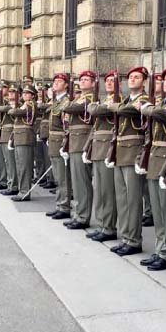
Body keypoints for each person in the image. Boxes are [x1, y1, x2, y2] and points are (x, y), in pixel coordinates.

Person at [139, 67, 166, 271]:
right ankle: (160, 248)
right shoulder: (162, 103)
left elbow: (164, 117)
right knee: (157, 209)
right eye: (165, 80)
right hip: (155, 155)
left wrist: (148, 108)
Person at [107, 67, 150, 256]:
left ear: (145, 81)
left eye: (137, 77)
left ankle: (134, 240)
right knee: (122, 199)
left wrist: (114, 106)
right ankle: (125, 237)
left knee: (133, 200)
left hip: (133, 153)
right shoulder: (126, 100)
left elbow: (129, 112)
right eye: (130, 77)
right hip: (120, 152)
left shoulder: (145, 101)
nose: (132, 79)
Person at [86, 72, 118, 242]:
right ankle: (101, 225)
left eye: (113, 81)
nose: (109, 83)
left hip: (107, 147)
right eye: (107, 81)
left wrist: (95, 107)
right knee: (99, 189)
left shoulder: (118, 100)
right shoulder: (106, 100)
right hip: (98, 146)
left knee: (107, 191)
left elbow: (96, 110)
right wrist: (88, 147)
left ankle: (109, 226)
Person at [62, 70, 96, 229]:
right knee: (77, 182)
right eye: (81, 79)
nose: (82, 82)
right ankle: (79, 213)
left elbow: (72, 109)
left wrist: (68, 104)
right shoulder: (78, 98)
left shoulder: (90, 98)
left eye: (86, 79)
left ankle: (83, 216)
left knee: (82, 182)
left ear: (94, 83)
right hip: (75, 142)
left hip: (82, 142)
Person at [45, 74, 72, 220]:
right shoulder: (56, 101)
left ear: (66, 85)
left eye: (59, 81)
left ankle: (64, 206)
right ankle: (59, 204)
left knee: (63, 177)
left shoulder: (66, 102)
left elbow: (66, 125)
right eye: (54, 81)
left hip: (60, 140)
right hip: (53, 140)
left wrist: (65, 144)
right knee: (57, 176)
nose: (55, 83)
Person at [9, 85, 37, 201]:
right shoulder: (23, 105)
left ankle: (25, 192)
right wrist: (12, 138)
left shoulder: (31, 105)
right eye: (24, 93)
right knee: (20, 166)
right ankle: (22, 190)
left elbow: (15, 112)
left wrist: (13, 109)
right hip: (19, 137)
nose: (24, 95)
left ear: (33, 96)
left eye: (27, 93)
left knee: (24, 166)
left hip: (25, 138)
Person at [0, 85, 19, 196]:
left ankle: (14, 185)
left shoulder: (17, 105)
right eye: (9, 92)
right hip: (4, 134)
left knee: (11, 162)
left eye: (13, 92)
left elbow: (8, 111)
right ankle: (10, 183)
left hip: (11, 134)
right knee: (7, 161)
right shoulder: (7, 104)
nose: (10, 93)